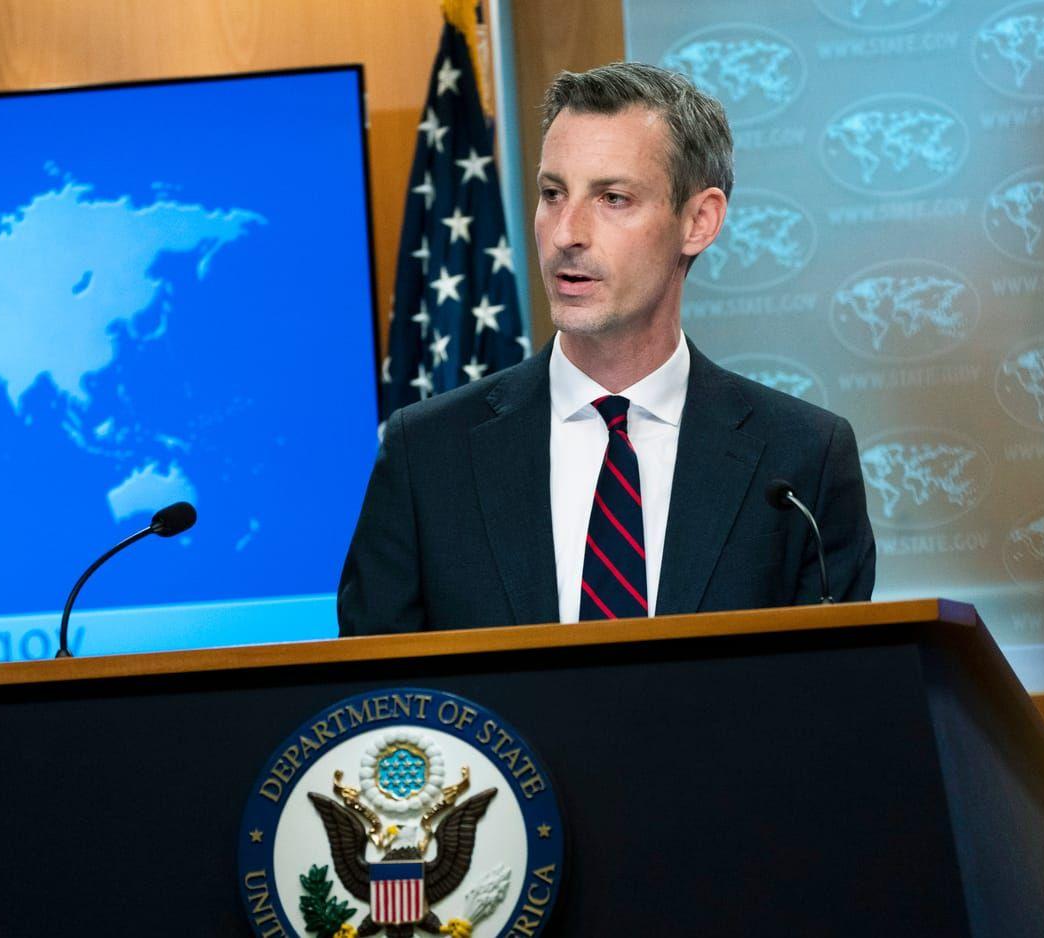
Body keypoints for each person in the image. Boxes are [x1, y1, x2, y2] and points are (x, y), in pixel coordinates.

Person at [338, 62, 874, 634]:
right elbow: (376, 684)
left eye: (613, 198)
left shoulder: (802, 461)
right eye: (552, 194)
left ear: (699, 221)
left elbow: (832, 684)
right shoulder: (426, 455)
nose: (566, 232)